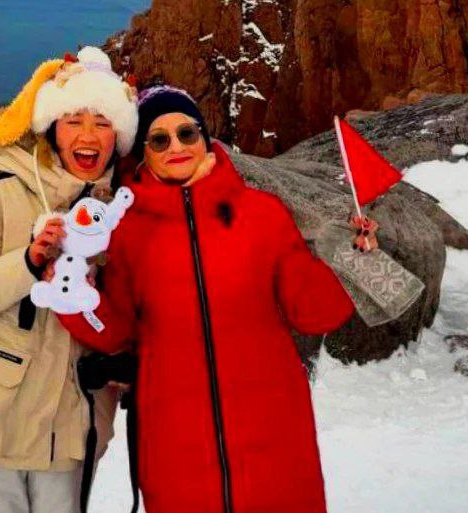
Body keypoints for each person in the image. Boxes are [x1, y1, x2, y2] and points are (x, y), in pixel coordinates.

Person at [55, 85, 356, 513]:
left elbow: (318, 314)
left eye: (187, 133)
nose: (176, 147)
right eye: (159, 139)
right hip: (175, 441)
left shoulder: (263, 213)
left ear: (205, 137)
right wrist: (73, 297)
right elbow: (115, 329)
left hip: (273, 432)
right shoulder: (128, 232)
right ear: (143, 153)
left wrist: (352, 254)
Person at [0, 46, 141, 513]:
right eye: (74, 120)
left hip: (70, 425)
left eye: (102, 123)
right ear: (52, 128)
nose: (88, 135)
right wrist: (28, 264)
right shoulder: (3, 192)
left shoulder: (124, 210)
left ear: (118, 136)